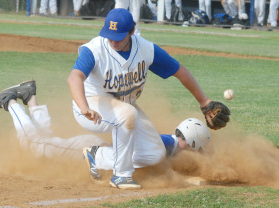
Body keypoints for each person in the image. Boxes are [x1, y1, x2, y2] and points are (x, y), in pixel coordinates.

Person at [67, 8, 230, 189]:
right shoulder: (95, 49)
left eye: (118, 36)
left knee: (155, 153)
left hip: (123, 108)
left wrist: (204, 102)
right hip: (91, 105)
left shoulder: (145, 49)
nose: (112, 41)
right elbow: (75, 78)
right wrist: (84, 107)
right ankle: (121, 176)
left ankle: (98, 156)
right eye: (109, 35)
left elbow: (180, 72)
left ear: (131, 32)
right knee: (127, 114)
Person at [0, 80, 211, 170]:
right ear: (188, 142)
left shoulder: (168, 146)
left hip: (93, 146)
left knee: (46, 141)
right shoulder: (163, 144)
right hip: (89, 149)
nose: (194, 155)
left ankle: (30, 97)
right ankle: (10, 102)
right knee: (34, 145)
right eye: (195, 150)